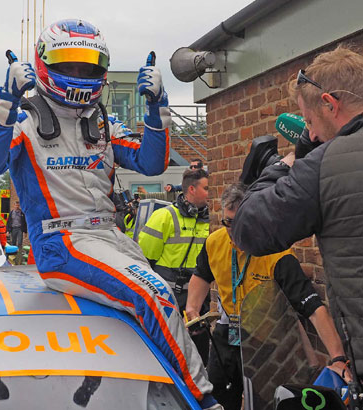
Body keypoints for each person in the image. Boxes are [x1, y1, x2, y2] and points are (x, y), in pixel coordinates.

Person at [0, 19, 220, 409]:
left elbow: (152, 164)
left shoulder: (103, 120)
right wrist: (5, 100)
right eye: (66, 64)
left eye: (86, 65)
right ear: (42, 64)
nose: (77, 74)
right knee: (155, 295)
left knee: (151, 316)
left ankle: (156, 395)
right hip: (61, 243)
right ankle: (205, 402)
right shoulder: (22, 118)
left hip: (111, 237)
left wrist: (158, 108)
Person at [231, 45, 363, 378]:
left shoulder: (325, 164)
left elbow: (249, 228)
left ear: (330, 104)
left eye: (309, 121)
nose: (313, 134)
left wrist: (287, 163)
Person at [188, 183, 350, 410]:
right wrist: (193, 308)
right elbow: (201, 275)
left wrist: (337, 358)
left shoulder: (276, 253)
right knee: (216, 401)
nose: (233, 231)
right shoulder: (214, 242)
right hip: (226, 338)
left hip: (265, 344)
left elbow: (313, 308)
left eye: (240, 223)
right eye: (228, 223)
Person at [138, 168, 211, 363]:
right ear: (192, 190)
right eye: (207, 188)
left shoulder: (211, 220)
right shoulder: (164, 217)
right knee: (169, 348)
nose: (211, 193)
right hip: (169, 297)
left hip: (199, 298)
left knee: (200, 349)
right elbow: (144, 258)